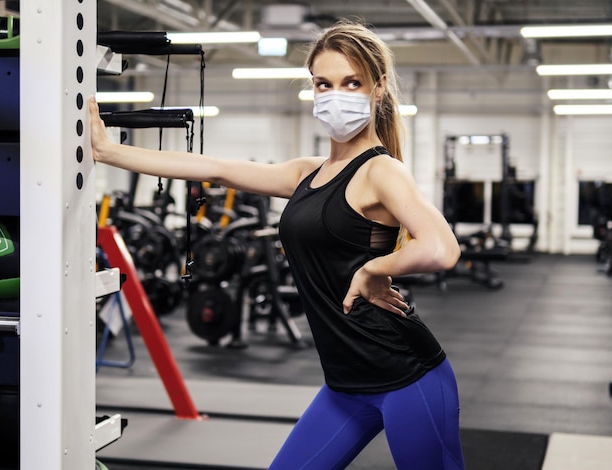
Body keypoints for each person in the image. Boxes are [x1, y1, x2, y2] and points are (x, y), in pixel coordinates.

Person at [90, 20, 464, 470]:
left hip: (409, 378)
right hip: (344, 385)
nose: (336, 95)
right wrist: (109, 152)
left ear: (378, 89)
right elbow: (216, 167)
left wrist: (372, 269)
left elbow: (443, 249)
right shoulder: (306, 172)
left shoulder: (381, 172)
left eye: (352, 83)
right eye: (324, 84)